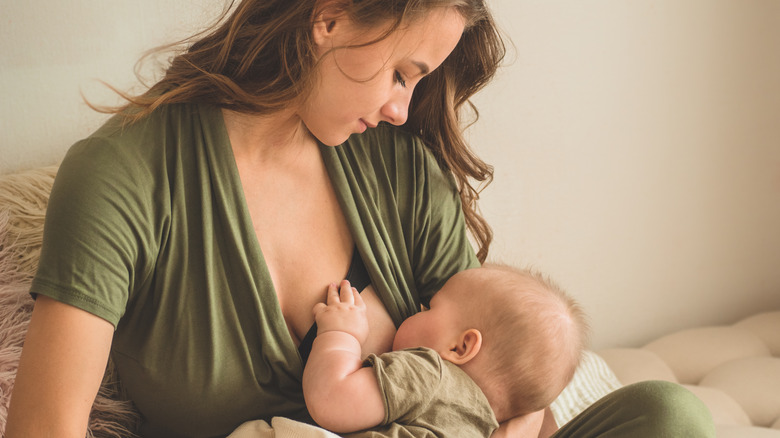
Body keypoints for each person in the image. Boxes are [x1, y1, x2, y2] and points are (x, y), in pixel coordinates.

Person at [6, 0, 715, 437]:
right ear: (331, 17)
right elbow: (44, 427)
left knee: (669, 416)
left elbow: (497, 379)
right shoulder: (125, 174)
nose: (402, 109)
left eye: (420, 82)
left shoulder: (400, 169)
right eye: (402, 72)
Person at [302, 265, 589, 438]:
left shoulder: (430, 373)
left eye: (430, 307)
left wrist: (341, 332)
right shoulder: (484, 427)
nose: (418, 309)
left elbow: (330, 399)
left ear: (460, 347)